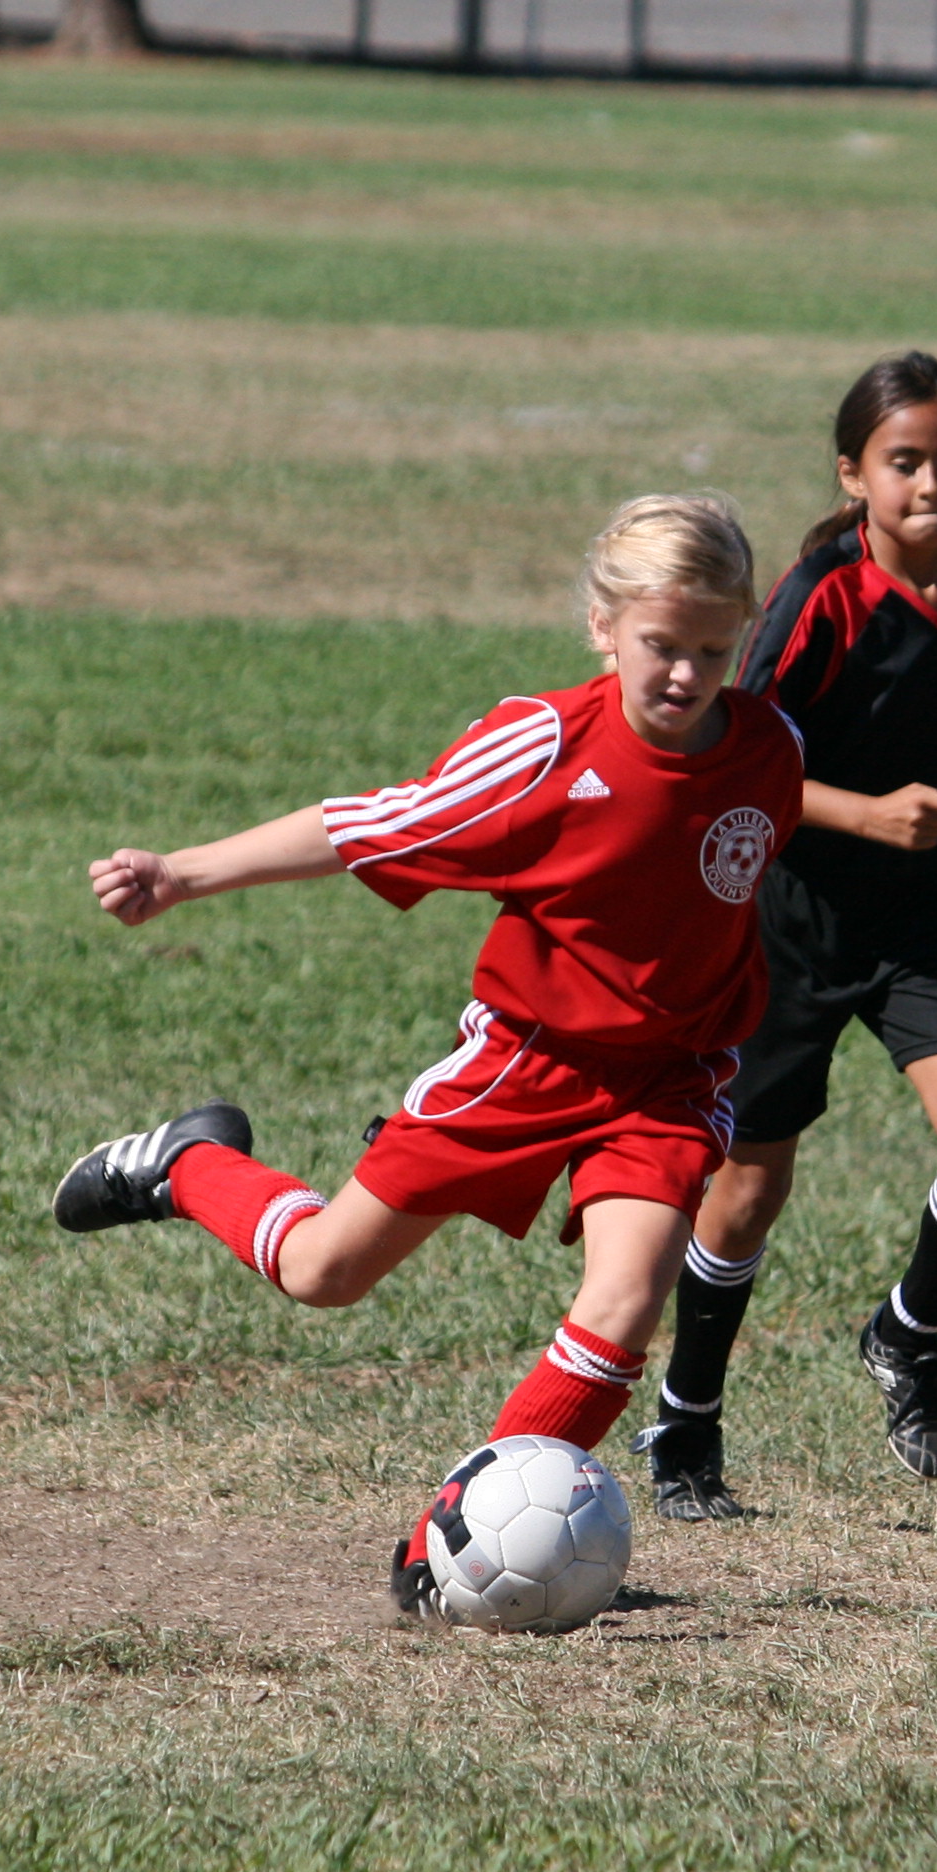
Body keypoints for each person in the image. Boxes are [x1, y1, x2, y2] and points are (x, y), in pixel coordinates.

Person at [46, 494, 804, 1614]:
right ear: (603, 626)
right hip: (527, 1063)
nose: (688, 674)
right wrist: (184, 872)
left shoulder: (769, 750)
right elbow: (371, 823)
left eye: (714, 648)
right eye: (662, 645)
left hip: (670, 1082)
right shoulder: (544, 747)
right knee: (324, 1272)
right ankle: (185, 1163)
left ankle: (443, 1550)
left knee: (624, 1303)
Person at [636, 354, 937, 1517]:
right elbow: (739, 755)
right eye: (905, 462)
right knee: (747, 1192)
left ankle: (907, 1334)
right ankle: (686, 1424)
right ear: (854, 474)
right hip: (785, 922)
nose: (932, 484)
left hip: (912, 920)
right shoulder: (820, 595)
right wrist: (866, 814)